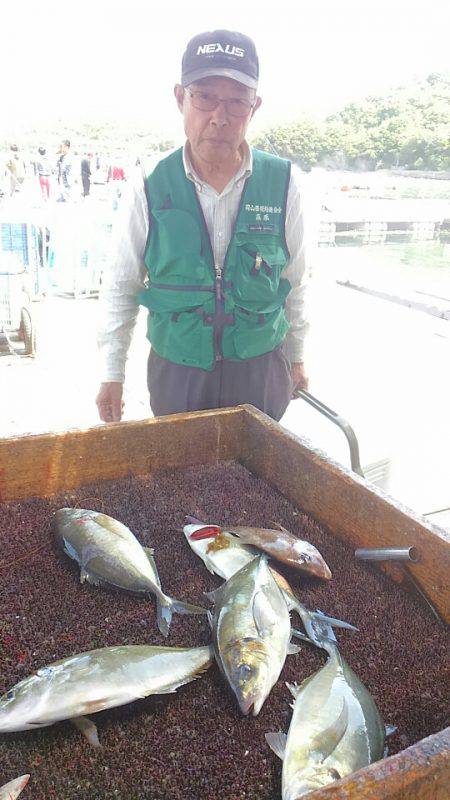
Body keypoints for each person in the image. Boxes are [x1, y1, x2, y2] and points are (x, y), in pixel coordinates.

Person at [96, 29, 309, 424]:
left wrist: (296, 357)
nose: (219, 117)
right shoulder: (148, 183)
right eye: (205, 97)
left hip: (261, 368)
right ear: (181, 98)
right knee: (180, 461)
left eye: (237, 102)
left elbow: (295, 281)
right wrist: (112, 374)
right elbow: (121, 285)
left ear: (255, 106)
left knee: (257, 463)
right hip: (178, 371)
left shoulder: (283, 182)